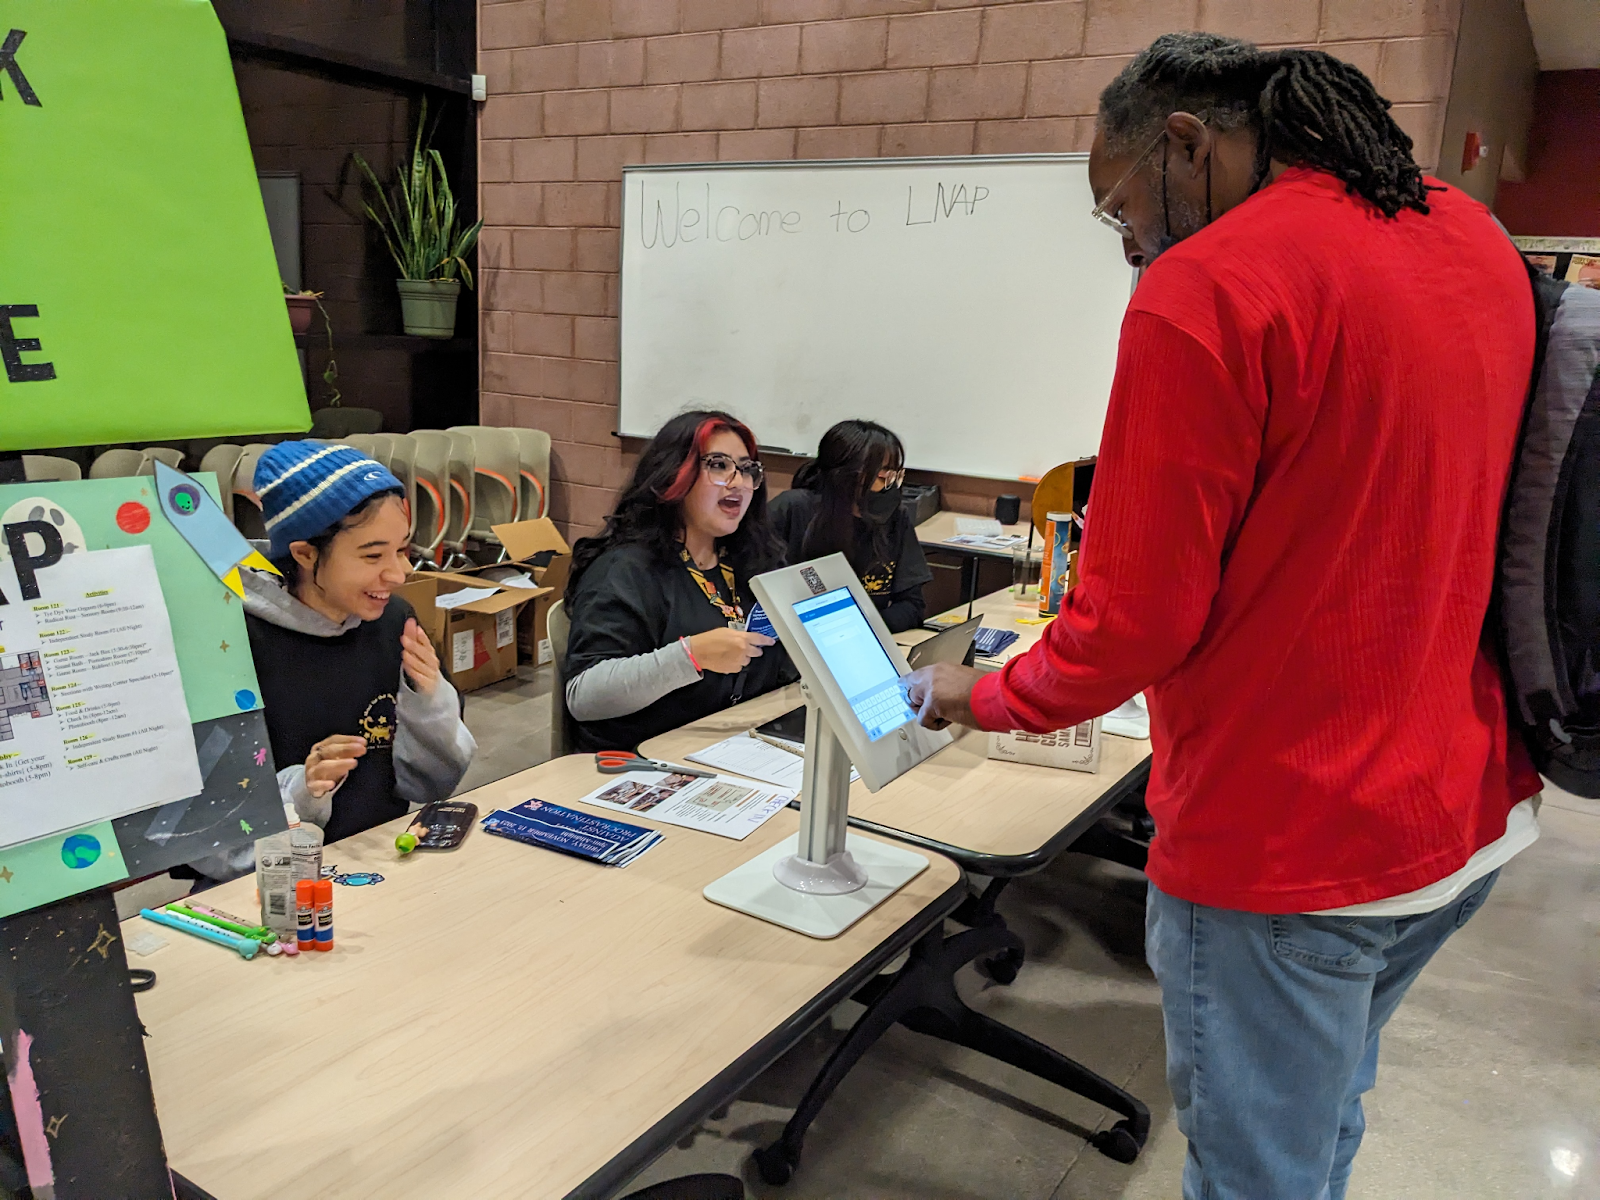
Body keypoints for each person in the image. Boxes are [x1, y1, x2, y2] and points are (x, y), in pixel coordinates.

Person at [904, 34, 1539, 1200]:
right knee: (1322, 1117)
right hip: (1467, 810)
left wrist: (982, 692)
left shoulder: (1205, 289)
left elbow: (1132, 625)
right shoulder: (1469, 234)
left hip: (1291, 840)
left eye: (1118, 209)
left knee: (1253, 1178)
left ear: (1184, 143)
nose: (1129, 244)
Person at [190, 442, 476, 878]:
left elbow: (431, 786)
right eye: (372, 555)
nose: (398, 575)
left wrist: (432, 704)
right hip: (269, 889)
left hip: (378, 864)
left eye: (402, 550)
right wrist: (303, 794)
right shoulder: (231, 643)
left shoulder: (393, 621)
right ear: (305, 554)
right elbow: (209, 837)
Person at [563, 411, 791, 751]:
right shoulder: (625, 569)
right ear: (674, 476)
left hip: (734, 745)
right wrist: (690, 656)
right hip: (640, 762)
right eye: (718, 465)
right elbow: (584, 696)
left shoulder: (751, 560)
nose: (738, 482)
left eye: (747, 469)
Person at [769, 419, 932, 633]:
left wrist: (861, 628)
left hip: (861, 638)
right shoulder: (793, 508)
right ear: (848, 474)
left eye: (896, 476)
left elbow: (912, 606)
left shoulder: (894, 517)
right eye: (884, 475)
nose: (890, 487)